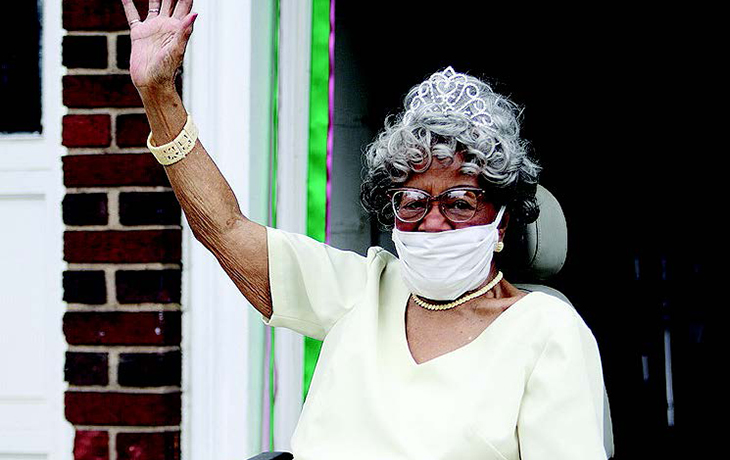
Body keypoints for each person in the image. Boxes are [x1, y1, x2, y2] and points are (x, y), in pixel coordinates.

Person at [120, 1, 611, 459]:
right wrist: (159, 95)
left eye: (459, 203)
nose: (432, 220)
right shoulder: (361, 289)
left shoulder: (548, 332)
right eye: (413, 202)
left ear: (501, 220)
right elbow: (225, 229)